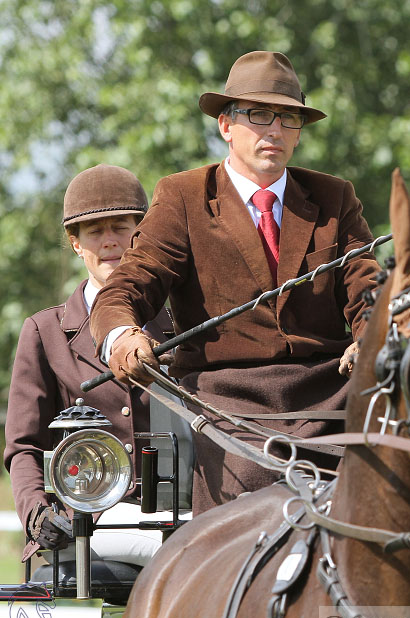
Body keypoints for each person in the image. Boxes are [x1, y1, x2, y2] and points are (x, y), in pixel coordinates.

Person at [90, 51, 380, 514]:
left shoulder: (333, 197)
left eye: (288, 118)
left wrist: (373, 339)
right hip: (229, 401)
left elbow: (369, 290)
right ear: (226, 125)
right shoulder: (184, 196)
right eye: (259, 115)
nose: (275, 130)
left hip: (331, 393)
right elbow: (129, 285)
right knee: (256, 513)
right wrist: (123, 335)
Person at [4, 164, 177, 565]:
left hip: (179, 509)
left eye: (121, 227)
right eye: (95, 231)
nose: (110, 242)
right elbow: (23, 446)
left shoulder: (182, 325)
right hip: (88, 518)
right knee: (184, 556)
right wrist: (35, 514)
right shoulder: (44, 332)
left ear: (143, 233)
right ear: (75, 243)